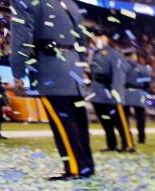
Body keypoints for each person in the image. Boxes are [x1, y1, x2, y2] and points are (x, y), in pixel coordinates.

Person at [10, 0, 95, 179]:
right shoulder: (70, 3)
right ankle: (86, 166)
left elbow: (22, 35)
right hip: (74, 67)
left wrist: (18, 70)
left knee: (62, 121)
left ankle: (74, 168)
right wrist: (80, 64)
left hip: (51, 67)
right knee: (78, 121)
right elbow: (81, 39)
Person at [87, 34, 134, 153]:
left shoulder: (114, 54)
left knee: (120, 121)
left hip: (110, 91)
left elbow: (118, 74)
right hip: (98, 91)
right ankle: (111, 144)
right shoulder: (94, 53)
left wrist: (116, 91)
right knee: (105, 120)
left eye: (99, 37)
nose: (95, 39)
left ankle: (128, 144)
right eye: (94, 37)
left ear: (106, 39)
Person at [123, 50, 151, 145]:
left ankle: (127, 137)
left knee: (125, 117)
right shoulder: (142, 68)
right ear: (134, 56)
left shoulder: (121, 67)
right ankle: (141, 138)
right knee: (140, 117)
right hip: (139, 93)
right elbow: (147, 83)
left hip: (125, 92)